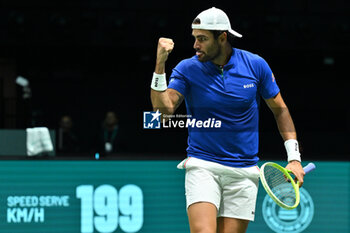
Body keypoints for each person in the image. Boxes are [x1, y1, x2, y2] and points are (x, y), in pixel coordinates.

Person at [150, 7, 305, 233]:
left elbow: (280, 110)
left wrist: (294, 158)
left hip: (244, 171)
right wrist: (160, 65)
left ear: (222, 38)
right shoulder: (187, 69)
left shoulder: (255, 65)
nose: (195, 45)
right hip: (203, 165)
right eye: (194, 38)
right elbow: (163, 113)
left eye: (202, 39)